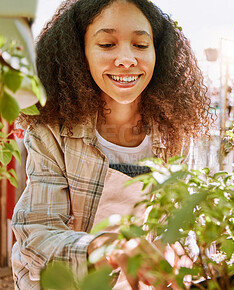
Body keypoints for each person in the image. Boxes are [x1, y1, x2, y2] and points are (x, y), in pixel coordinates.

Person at [11, 0, 212, 288]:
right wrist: (107, 248)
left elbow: (183, 221)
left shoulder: (175, 133)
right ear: (79, 54)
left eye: (141, 45)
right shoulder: (51, 131)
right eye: (107, 44)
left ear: (160, 53)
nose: (127, 58)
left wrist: (178, 251)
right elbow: (38, 231)